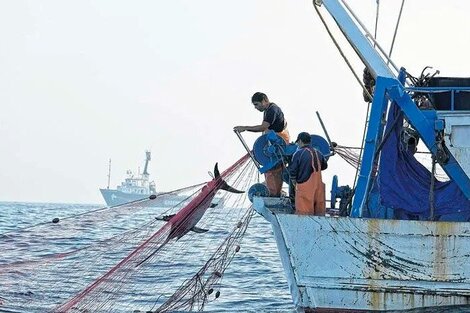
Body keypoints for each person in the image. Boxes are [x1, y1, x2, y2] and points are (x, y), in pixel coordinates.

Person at [234, 92, 290, 196]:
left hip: (279, 142)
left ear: (264, 100)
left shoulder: (272, 110)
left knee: (274, 168)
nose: (255, 107)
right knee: (270, 168)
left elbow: (263, 127)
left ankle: (275, 194)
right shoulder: (267, 110)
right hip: (272, 142)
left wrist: (245, 128)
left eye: (256, 104)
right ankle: (273, 191)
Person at [289, 132, 328, 215]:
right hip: (318, 187)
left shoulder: (299, 153)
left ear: (300, 141)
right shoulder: (319, 153)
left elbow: (292, 170)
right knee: (319, 212)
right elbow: (325, 166)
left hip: (305, 188)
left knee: (303, 213)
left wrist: (293, 181)